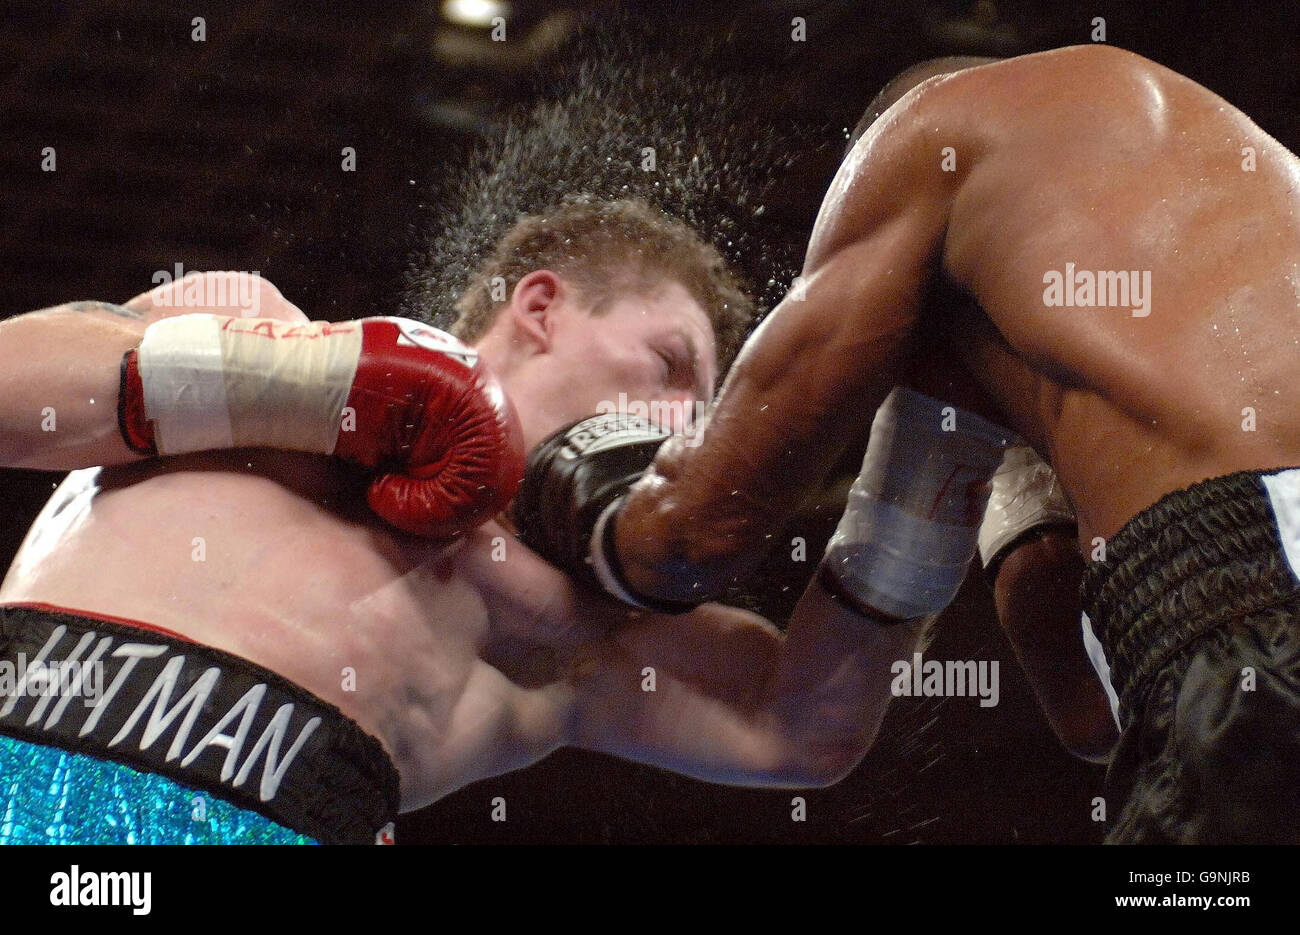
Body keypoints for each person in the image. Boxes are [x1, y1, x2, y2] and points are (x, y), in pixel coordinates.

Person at [0, 197, 1008, 844]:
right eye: (667, 366)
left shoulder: (565, 634)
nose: (682, 426)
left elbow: (798, 729)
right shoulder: (253, 332)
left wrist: (941, 434)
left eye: (702, 411)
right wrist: (315, 386)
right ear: (540, 305)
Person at [557, 45, 1300, 843]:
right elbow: (1091, 714)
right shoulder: (1228, 172)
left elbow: (697, 533)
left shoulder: (926, 137)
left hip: (1259, 591)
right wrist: (1007, 439)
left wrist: (559, 481)